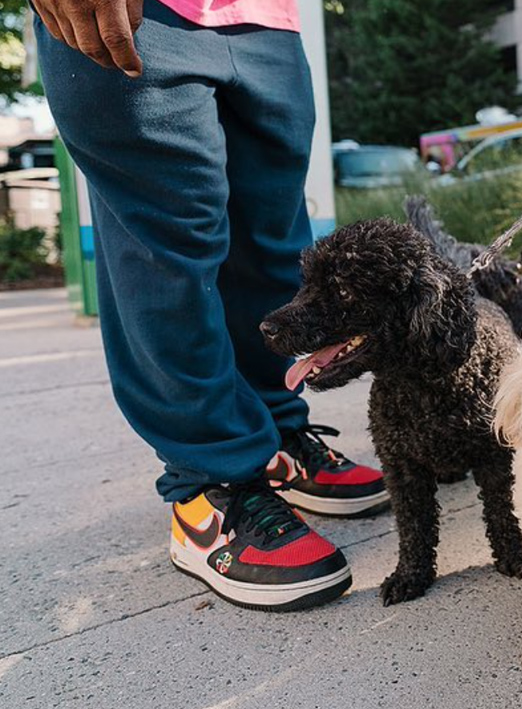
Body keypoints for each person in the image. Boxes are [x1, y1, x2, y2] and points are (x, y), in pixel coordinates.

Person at [32, 0, 388, 611]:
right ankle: (210, 485)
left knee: (274, 246)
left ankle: (277, 439)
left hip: (266, 21)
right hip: (138, 18)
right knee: (169, 257)